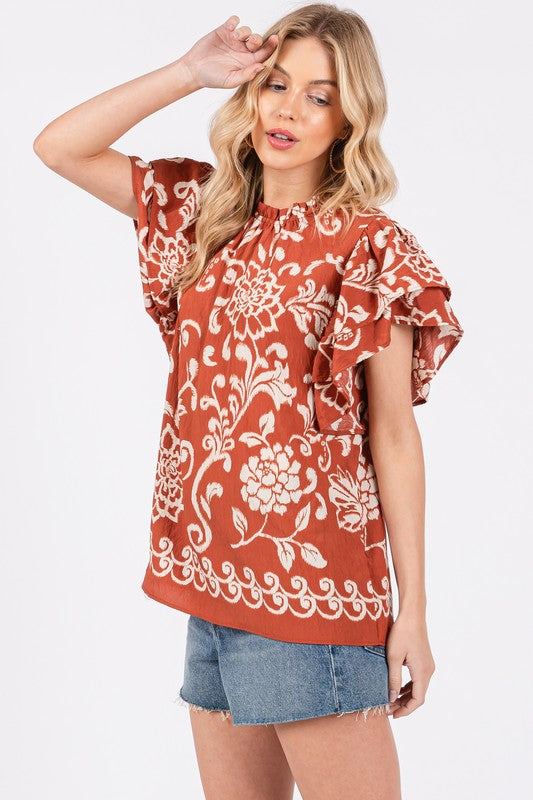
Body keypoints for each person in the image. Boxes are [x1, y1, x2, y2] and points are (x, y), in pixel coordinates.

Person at [33, 5, 463, 798]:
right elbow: (59, 146)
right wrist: (187, 71)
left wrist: (413, 611)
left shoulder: (369, 247)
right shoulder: (202, 212)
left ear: (349, 119)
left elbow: (395, 436)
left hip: (313, 601)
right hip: (212, 589)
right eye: (276, 84)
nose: (286, 110)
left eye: (318, 96)